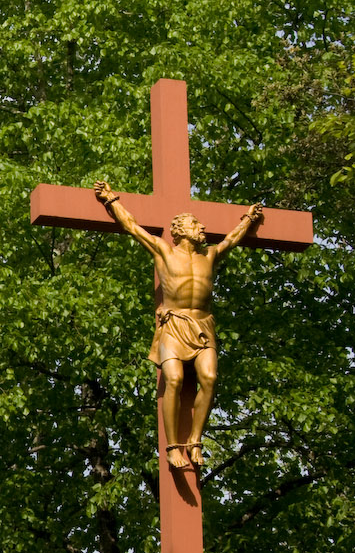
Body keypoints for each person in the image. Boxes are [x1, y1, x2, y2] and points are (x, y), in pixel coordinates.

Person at [94, 180, 264, 469]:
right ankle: (172, 448)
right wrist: (111, 200)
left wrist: (248, 218)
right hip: (173, 325)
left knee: (209, 379)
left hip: (203, 325)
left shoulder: (209, 255)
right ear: (181, 230)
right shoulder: (164, 251)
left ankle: (195, 440)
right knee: (173, 379)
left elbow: (232, 239)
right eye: (195, 224)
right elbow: (132, 226)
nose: (203, 228)